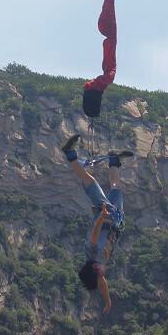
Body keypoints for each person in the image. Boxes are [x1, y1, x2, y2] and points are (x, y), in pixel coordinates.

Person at [61, 134, 130, 313]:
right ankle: (114, 160)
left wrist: (101, 217)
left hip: (104, 213)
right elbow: (102, 285)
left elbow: (94, 235)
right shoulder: (97, 269)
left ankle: (70, 154)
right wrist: (108, 302)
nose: (103, 274)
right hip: (116, 218)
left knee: (91, 182)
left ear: (94, 267)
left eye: (99, 273)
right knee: (116, 187)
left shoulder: (92, 253)